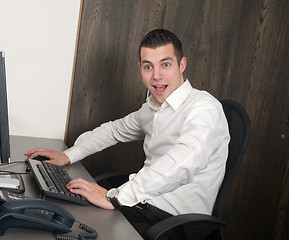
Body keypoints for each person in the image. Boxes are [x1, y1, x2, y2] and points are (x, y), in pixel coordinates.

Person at [25, 29, 230, 240]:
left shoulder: (204, 108)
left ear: (182, 65)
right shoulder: (153, 108)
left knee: (79, 229)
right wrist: (70, 154)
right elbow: (114, 131)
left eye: (165, 64)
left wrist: (117, 197)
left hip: (172, 222)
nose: (156, 76)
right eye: (148, 66)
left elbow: (183, 162)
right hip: (141, 205)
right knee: (65, 215)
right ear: (140, 68)